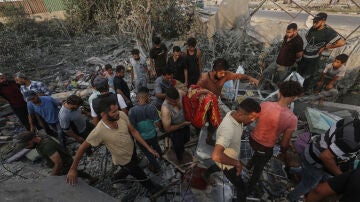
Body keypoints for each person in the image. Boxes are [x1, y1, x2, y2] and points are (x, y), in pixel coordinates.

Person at [66, 94, 161, 195]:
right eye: (113, 112)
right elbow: (82, 148)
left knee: (132, 165)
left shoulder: (121, 115)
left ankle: (117, 178)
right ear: (103, 114)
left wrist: (148, 148)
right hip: (123, 159)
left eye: (117, 109)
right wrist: (73, 169)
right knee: (139, 174)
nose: (118, 113)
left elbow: (133, 131)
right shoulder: (99, 131)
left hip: (132, 151)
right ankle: (152, 188)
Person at [184, 58, 259, 145]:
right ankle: (197, 134)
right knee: (199, 122)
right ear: (214, 70)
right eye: (220, 73)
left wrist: (250, 78)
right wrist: (206, 93)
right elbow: (194, 92)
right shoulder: (203, 79)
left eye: (224, 72)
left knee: (213, 124)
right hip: (203, 104)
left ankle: (208, 138)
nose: (223, 75)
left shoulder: (226, 75)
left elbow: (238, 76)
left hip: (214, 103)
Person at [247, 80, 303, 194]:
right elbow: (284, 143)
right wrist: (283, 153)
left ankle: (249, 164)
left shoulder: (265, 105)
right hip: (265, 148)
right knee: (259, 168)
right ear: (293, 98)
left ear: (280, 93)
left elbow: (252, 120)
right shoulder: (292, 119)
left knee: (258, 153)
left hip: (252, 139)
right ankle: (249, 188)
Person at [287, 114, 360, 201]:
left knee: (306, 170)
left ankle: (289, 170)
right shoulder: (353, 141)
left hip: (310, 150)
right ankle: (291, 198)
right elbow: (325, 157)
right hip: (316, 162)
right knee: (309, 184)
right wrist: (341, 177)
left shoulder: (350, 120)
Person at [211, 98, 261, 202]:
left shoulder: (233, 113)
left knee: (217, 166)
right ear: (241, 115)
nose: (253, 121)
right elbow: (216, 156)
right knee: (241, 187)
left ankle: (206, 173)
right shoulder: (228, 130)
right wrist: (237, 163)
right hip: (228, 163)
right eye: (252, 118)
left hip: (228, 157)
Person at [297, 12, 346, 92]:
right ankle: (297, 89)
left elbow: (341, 43)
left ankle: (304, 91)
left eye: (317, 21)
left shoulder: (328, 31)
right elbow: (308, 39)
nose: (314, 23)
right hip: (305, 57)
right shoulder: (313, 28)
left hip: (314, 59)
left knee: (309, 76)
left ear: (323, 21)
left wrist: (326, 47)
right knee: (300, 73)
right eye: (314, 21)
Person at [129, 87, 162, 173]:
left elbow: (132, 129)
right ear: (147, 96)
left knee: (148, 153)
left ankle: (157, 167)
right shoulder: (152, 108)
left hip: (141, 138)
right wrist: (160, 128)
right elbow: (158, 123)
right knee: (156, 146)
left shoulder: (132, 111)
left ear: (137, 97)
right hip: (152, 134)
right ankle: (161, 157)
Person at [161, 87, 191, 163]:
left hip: (185, 125)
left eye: (178, 99)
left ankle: (181, 148)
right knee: (178, 146)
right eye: (175, 102)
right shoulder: (165, 110)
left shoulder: (179, 93)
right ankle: (180, 158)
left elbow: (189, 94)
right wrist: (182, 124)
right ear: (167, 99)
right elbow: (167, 129)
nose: (178, 102)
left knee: (186, 139)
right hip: (176, 130)